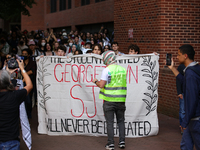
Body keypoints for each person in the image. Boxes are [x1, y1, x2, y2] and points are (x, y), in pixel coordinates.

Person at [167, 44, 200, 149]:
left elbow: (192, 100)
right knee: (185, 145)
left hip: (195, 119)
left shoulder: (190, 73)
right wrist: (172, 68)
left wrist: (185, 121)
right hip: (192, 118)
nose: (177, 57)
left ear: (185, 56)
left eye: (178, 55)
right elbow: (184, 81)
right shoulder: (194, 69)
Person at [93, 50, 127, 150]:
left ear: (107, 59)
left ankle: (111, 144)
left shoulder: (106, 70)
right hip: (121, 100)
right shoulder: (122, 69)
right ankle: (122, 142)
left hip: (109, 100)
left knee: (110, 122)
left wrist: (96, 81)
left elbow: (101, 85)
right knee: (121, 121)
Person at [0, 59, 33, 149]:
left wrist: (5, 69)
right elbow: (29, 85)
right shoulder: (15, 96)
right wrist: (22, 69)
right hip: (11, 141)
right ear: (10, 82)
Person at [176, 64, 185, 135]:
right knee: (182, 110)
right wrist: (179, 92)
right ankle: (183, 127)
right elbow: (178, 80)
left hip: (190, 92)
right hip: (183, 92)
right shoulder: (181, 67)